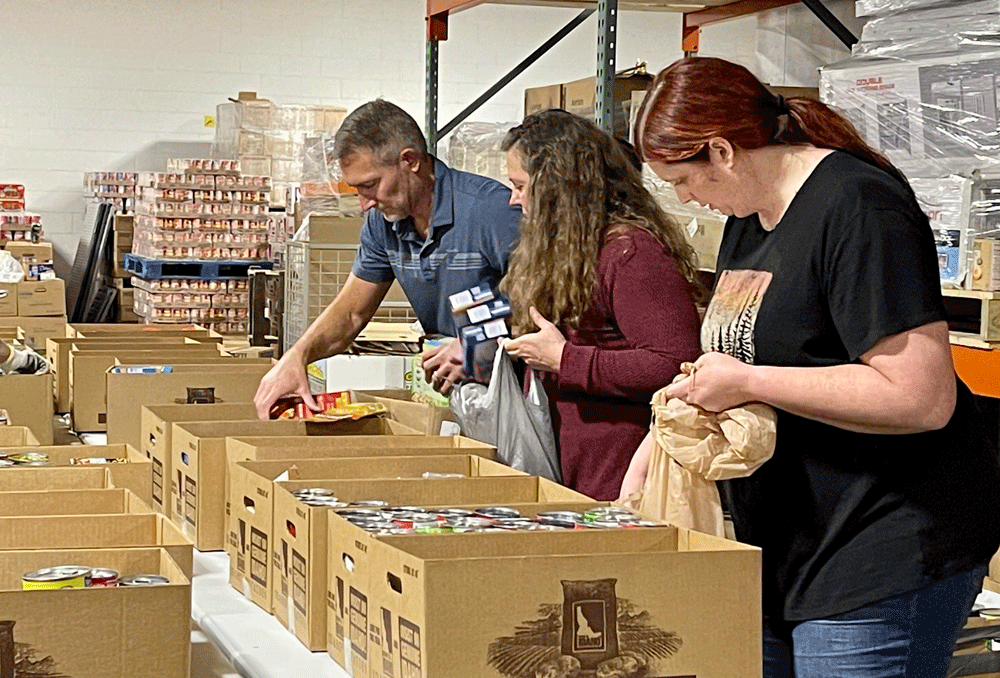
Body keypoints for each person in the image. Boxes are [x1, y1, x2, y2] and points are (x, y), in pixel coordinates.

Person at [630, 56, 1000, 678]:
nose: (686, 199)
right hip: (785, 549)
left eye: (683, 180)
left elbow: (919, 395)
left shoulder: (859, 206)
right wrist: (662, 438)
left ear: (721, 151)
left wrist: (746, 382)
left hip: (879, 545)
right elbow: (737, 353)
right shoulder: (746, 222)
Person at [254, 100, 521, 417]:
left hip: (514, 397)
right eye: (356, 189)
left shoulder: (491, 212)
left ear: (409, 160)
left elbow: (549, 304)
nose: (364, 203)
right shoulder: (384, 223)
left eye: (370, 185)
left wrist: (474, 342)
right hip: (457, 394)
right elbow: (352, 312)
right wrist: (296, 356)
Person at [500, 109, 702, 501]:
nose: (513, 199)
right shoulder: (566, 248)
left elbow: (676, 362)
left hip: (620, 480)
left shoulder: (631, 254)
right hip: (567, 470)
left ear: (559, 186)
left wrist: (567, 360)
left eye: (522, 186)